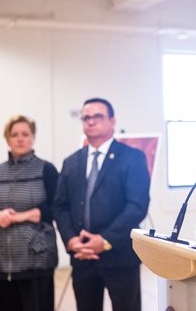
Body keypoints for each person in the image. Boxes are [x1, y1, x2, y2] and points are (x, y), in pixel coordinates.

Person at [54, 98, 150, 311]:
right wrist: (71, 240)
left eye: (98, 116)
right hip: (82, 256)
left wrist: (105, 240)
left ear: (112, 121)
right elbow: (60, 206)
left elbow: (137, 206)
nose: (90, 122)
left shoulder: (132, 158)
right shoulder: (71, 162)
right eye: (86, 117)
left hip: (120, 257)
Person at [0, 115, 59, 311]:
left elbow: (56, 208)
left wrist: (21, 216)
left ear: (33, 138)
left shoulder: (46, 169)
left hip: (37, 260)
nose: (20, 139)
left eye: (25, 134)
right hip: (0, 261)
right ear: (7, 139)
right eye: (14, 135)